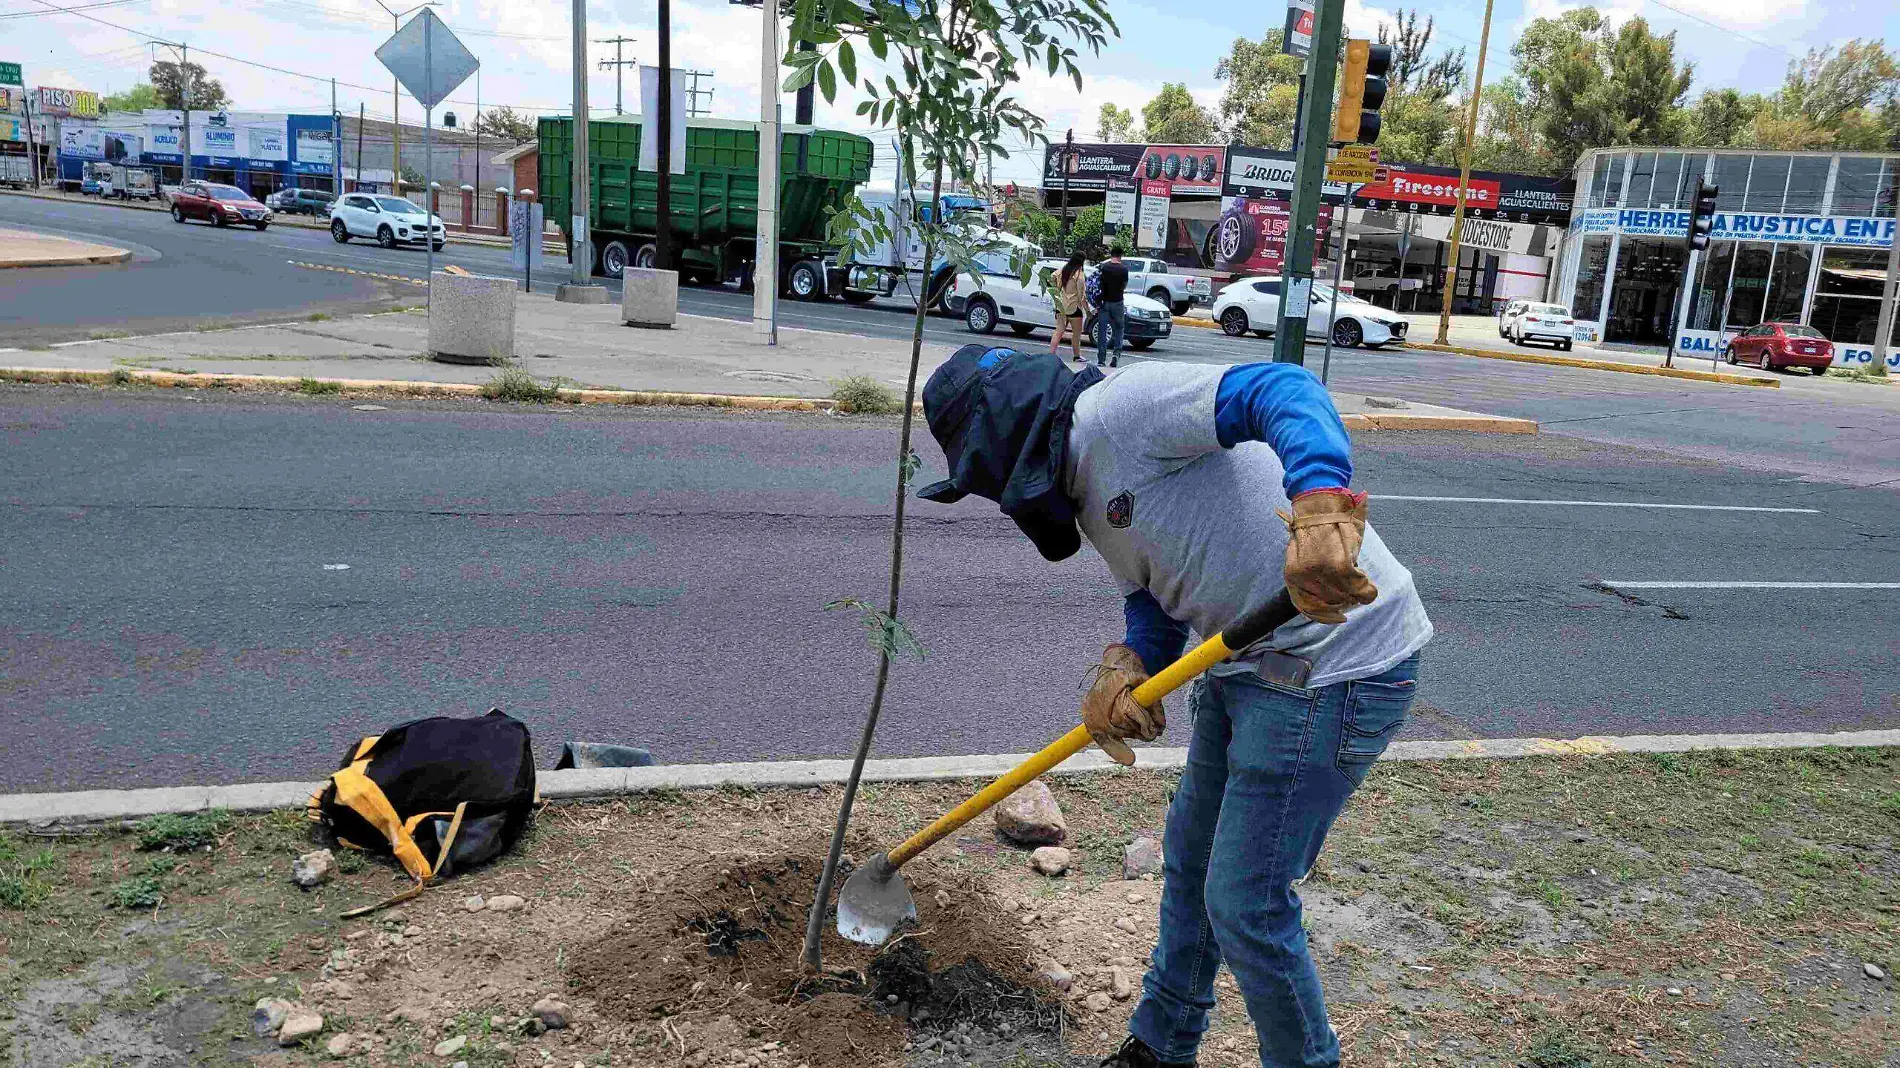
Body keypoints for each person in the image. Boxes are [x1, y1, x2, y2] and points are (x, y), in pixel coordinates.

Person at [916, 345, 1432, 1068]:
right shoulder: (1084, 488)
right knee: (1190, 866)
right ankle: (1161, 1047)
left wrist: (1319, 505)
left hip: (1336, 662)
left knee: (1246, 902)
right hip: (1247, 658)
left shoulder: (1120, 412)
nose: (997, 499)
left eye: (984, 474)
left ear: (1006, 441)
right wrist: (1131, 665)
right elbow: (1158, 594)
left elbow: (1281, 388)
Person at [1050, 252, 1088, 364]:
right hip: (1074, 308)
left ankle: (1051, 354)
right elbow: (1082, 296)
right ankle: (1077, 356)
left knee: (1058, 331)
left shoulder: (1063, 270)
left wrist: (1057, 289)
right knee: (1076, 334)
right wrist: (1088, 311)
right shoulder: (1079, 275)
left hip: (1061, 305)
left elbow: (1052, 277)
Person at [1094, 248, 1130, 367]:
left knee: (1102, 331)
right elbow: (1124, 285)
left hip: (1104, 302)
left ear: (1111, 255)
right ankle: (1116, 354)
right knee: (1119, 329)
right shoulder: (1124, 269)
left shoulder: (1104, 267)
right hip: (1118, 302)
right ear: (1120, 256)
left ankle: (1101, 359)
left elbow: (1097, 283)